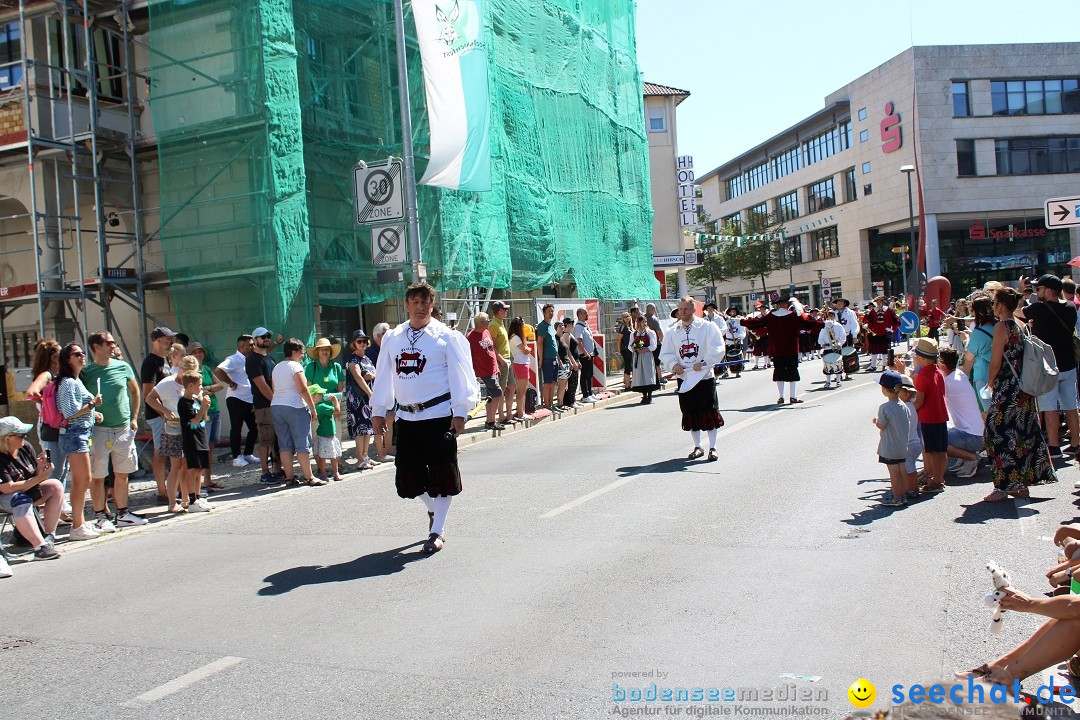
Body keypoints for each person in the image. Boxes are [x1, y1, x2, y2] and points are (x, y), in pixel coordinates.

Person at [371, 282, 480, 555]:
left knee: (442, 473)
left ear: (432, 305)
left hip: (439, 415)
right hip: (406, 417)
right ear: (406, 305)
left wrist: (461, 412)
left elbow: (461, 375)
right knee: (408, 475)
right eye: (415, 302)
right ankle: (432, 509)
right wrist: (379, 410)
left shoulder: (447, 337)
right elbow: (384, 375)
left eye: (425, 302)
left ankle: (437, 531)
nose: (420, 307)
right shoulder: (393, 338)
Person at [983, 287, 1057, 501]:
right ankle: (1021, 484)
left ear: (1000, 305)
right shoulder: (1021, 325)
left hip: (1007, 388)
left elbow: (996, 361)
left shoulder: (1002, 327)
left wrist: (990, 383)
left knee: (996, 433)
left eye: (994, 302)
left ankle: (1003, 486)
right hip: (1024, 388)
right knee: (1024, 434)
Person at [81, 330, 145, 530]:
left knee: (123, 473)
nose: (113, 345)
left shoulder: (123, 366)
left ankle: (123, 513)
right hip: (99, 429)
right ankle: (100, 516)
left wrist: (134, 418)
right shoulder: (87, 372)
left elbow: (135, 391)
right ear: (96, 347)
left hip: (123, 427)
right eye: (109, 342)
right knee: (98, 475)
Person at [1016, 274, 1080, 457]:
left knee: (1049, 406)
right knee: (1071, 405)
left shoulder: (1039, 309)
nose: (1036, 292)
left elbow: (1017, 310)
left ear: (1048, 290)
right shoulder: (1070, 307)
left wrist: (1021, 291)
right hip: (1068, 362)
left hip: (1047, 365)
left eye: (1039, 289)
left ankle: (1054, 446)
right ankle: (1076, 442)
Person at [658, 296, 725, 460]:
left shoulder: (707, 327)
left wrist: (704, 362)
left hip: (704, 377)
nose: (682, 312)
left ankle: (713, 448)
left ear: (693, 309)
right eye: (680, 309)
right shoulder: (673, 331)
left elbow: (718, 349)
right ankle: (698, 447)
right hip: (685, 377)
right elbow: (665, 354)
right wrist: (674, 365)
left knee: (709, 412)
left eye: (686, 309)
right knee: (690, 412)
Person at [55, 343, 103, 540]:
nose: (82, 356)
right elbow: (70, 412)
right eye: (77, 354)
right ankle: (77, 525)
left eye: (83, 353)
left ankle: (79, 523)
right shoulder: (68, 383)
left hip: (80, 432)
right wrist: (92, 404)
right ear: (68, 359)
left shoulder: (75, 381)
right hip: (74, 434)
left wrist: (94, 412)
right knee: (82, 480)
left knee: (83, 480)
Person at [742, 296, 823, 404]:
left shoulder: (770, 316)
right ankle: (793, 397)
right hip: (791, 349)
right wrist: (822, 324)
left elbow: (756, 323)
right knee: (792, 371)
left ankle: (781, 397)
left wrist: (742, 321)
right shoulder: (794, 316)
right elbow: (808, 324)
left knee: (779, 371)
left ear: (776, 305)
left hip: (777, 349)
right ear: (787, 304)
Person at [0, 417, 61, 560]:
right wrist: (39, 478)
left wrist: (40, 469)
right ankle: (40, 548)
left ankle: (49, 535)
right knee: (20, 498)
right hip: (6, 498)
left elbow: (33, 476)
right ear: (7, 438)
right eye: (20, 435)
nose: (24, 437)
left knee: (55, 486)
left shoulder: (25, 447)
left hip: (28, 492)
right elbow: (8, 488)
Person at [25, 339, 69, 518]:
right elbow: (31, 393)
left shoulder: (58, 374)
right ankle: (45, 509)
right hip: (49, 427)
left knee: (63, 468)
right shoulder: (47, 375)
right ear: (53, 357)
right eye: (60, 351)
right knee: (55, 469)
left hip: (58, 426)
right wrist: (48, 404)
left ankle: (58, 509)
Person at [271, 339, 324, 486]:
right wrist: (312, 408)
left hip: (276, 406)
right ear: (294, 352)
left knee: (285, 444)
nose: (302, 356)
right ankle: (309, 477)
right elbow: (302, 389)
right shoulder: (295, 366)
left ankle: (289, 477)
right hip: (295, 406)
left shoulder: (277, 367)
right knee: (302, 444)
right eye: (301, 353)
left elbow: (274, 388)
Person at [145, 356, 195, 512]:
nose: (188, 376)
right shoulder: (167, 383)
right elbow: (150, 398)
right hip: (173, 428)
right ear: (180, 368)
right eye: (186, 372)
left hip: (187, 426)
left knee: (187, 464)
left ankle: (186, 498)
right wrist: (165, 411)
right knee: (176, 466)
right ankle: (172, 502)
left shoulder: (190, 382)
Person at [938, 347, 985, 478]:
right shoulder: (958, 374)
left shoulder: (949, 382)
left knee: (936, 441)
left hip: (972, 437)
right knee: (943, 432)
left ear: (942, 364)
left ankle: (973, 458)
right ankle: (965, 458)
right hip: (974, 433)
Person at [140, 326, 175, 501]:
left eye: (171, 339)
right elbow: (148, 393)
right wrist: (163, 412)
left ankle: (170, 488)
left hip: (169, 414)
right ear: (157, 340)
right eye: (167, 339)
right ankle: (162, 491)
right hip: (158, 415)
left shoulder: (166, 361)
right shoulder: (151, 362)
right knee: (160, 452)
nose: (170, 342)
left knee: (170, 452)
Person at [214, 334, 259, 467]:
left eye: (253, 344)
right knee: (236, 428)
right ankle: (236, 456)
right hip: (236, 398)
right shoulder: (233, 359)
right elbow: (218, 370)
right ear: (241, 347)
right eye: (250, 345)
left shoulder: (251, 359)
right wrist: (230, 382)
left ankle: (248, 453)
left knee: (254, 428)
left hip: (250, 399)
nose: (253, 347)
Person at [911, 338, 948, 493]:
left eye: (918, 356)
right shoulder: (938, 371)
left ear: (924, 358)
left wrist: (910, 411)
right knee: (941, 450)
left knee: (932, 450)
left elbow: (919, 400)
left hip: (928, 417)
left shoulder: (923, 375)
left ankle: (936, 481)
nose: (917, 359)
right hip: (940, 415)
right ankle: (940, 478)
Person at [187, 342, 225, 495]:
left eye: (200, 351)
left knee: (211, 445)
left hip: (214, 408)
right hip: (202, 412)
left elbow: (220, 385)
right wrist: (209, 389)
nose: (198, 354)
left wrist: (207, 389)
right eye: (194, 352)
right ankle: (200, 481)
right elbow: (196, 391)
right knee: (203, 447)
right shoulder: (191, 373)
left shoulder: (207, 369)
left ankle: (208, 479)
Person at [176, 371, 213, 512]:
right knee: (192, 469)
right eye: (199, 385)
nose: (201, 388)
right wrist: (203, 407)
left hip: (201, 436)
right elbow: (195, 419)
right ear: (190, 385)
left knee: (199, 469)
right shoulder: (183, 403)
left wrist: (205, 407)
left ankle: (198, 497)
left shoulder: (196, 401)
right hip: (191, 440)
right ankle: (191, 500)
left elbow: (202, 418)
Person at [873, 370, 910, 507]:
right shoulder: (904, 406)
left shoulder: (885, 407)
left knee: (893, 472)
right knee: (902, 469)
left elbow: (882, 425)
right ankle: (903, 495)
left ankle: (896, 496)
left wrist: (876, 421)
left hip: (890, 445)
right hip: (902, 445)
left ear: (884, 389)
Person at [246, 326, 278, 483]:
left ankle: (278, 470)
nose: (266, 338)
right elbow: (261, 384)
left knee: (277, 439)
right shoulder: (252, 360)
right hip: (264, 405)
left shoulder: (270, 358)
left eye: (268, 336)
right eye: (263, 336)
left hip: (275, 403)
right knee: (266, 439)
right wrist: (275, 400)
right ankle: (265, 473)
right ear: (255, 340)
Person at [344, 330, 378, 469]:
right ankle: (360, 460)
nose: (362, 344)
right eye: (359, 341)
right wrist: (370, 392)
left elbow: (374, 373)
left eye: (364, 341)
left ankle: (365, 457)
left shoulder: (366, 358)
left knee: (367, 429)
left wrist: (370, 376)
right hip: (358, 399)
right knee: (360, 429)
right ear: (354, 344)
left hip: (368, 398)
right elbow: (358, 377)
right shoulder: (353, 360)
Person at [467, 312, 504, 431]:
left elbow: (491, 349)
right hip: (484, 371)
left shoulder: (486, 332)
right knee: (497, 393)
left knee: (491, 396)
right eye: (487, 320)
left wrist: (498, 365)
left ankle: (489, 420)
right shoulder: (471, 337)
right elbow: (468, 355)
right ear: (482, 323)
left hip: (493, 368)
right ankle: (491, 421)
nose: (489, 322)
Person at [961, 296, 997, 416]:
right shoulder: (999, 327)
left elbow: (970, 356)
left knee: (986, 411)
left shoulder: (979, 332)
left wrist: (966, 340)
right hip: (1000, 374)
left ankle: (988, 435)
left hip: (983, 375)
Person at [310, 384, 344, 482]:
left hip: (323, 434)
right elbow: (337, 411)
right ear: (313, 396)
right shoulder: (322, 406)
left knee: (322, 456)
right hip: (327, 434)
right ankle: (335, 473)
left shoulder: (318, 406)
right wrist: (335, 400)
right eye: (319, 394)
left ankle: (323, 474)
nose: (323, 395)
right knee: (332, 456)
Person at [489, 301, 515, 425]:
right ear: (498, 311)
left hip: (507, 359)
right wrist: (501, 359)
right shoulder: (494, 325)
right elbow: (491, 345)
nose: (506, 311)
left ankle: (508, 413)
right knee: (502, 388)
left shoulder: (500, 323)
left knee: (511, 386)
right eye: (504, 309)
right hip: (502, 361)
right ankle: (501, 415)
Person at [898, 374, 922, 499]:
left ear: (907, 394)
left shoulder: (905, 407)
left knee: (909, 468)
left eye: (899, 391)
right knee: (908, 467)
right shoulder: (911, 406)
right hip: (913, 442)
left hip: (910, 443)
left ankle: (912, 489)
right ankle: (910, 487)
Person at [863, 296, 898, 372]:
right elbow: (870, 320)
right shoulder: (873, 311)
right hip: (875, 333)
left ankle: (884, 366)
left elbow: (896, 320)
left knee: (885, 350)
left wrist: (892, 329)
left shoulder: (889, 310)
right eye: (877, 302)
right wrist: (867, 325)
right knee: (874, 349)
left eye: (880, 302)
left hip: (885, 333)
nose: (878, 303)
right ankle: (873, 366)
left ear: (883, 302)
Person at [507, 317, 533, 422]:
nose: (524, 326)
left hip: (522, 364)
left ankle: (521, 412)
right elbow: (525, 350)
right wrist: (529, 348)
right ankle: (521, 414)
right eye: (522, 324)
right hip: (520, 364)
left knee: (523, 390)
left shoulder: (516, 337)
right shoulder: (515, 337)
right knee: (521, 391)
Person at [535, 303, 559, 411]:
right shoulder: (542, 326)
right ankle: (547, 405)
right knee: (547, 383)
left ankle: (551, 404)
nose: (551, 313)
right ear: (544, 313)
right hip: (547, 359)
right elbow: (539, 343)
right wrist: (541, 359)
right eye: (549, 311)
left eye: (552, 311)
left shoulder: (550, 326)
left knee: (553, 383)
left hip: (554, 358)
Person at [630, 315, 658, 404]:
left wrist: (645, 349)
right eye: (642, 322)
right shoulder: (633, 334)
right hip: (637, 355)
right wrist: (635, 349)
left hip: (647, 355)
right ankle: (644, 395)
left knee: (648, 374)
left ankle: (649, 396)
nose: (644, 324)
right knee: (640, 375)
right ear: (638, 323)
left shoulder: (650, 333)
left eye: (645, 322)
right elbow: (629, 345)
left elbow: (654, 345)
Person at [573, 308, 599, 403]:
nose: (587, 315)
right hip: (584, 355)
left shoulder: (584, 326)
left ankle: (589, 393)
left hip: (590, 354)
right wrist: (585, 352)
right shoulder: (579, 327)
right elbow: (579, 342)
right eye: (585, 313)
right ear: (579, 314)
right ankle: (585, 395)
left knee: (589, 374)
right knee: (585, 375)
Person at [833, 299, 860, 381]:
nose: (839, 304)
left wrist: (854, 335)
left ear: (845, 304)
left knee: (848, 356)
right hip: (837, 337)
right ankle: (838, 374)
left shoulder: (850, 313)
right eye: (838, 303)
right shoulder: (833, 313)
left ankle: (848, 373)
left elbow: (854, 325)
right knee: (837, 356)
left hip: (847, 336)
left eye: (841, 303)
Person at [818, 310, 846, 389]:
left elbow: (843, 336)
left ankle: (838, 381)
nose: (830, 317)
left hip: (836, 347)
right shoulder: (824, 327)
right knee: (828, 365)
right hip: (827, 348)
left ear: (834, 316)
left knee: (837, 365)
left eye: (831, 315)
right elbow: (821, 337)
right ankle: (828, 381)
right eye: (828, 316)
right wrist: (822, 343)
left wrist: (840, 344)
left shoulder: (838, 326)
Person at [560, 318, 583, 410]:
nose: (573, 325)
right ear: (567, 324)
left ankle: (573, 399)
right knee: (572, 382)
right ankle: (570, 401)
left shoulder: (570, 335)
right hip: (572, 362)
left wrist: (578, 361)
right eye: (572, 323)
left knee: (575, 381)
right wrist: (573, 362)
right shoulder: (566, 335)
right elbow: (568, 351)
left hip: (575, 360)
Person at [645, 303, 666, 387]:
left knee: (648, 363)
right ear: (652, 309)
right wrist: (663, 341)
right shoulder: (654, 319)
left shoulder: (642, 318)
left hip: (645, 345)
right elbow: (659, 332)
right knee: (657, 363)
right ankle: (659, 378)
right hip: (655, 344)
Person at [617, 312, 633, 390]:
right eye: (625, 317)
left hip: (630, 349)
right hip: (625, 349)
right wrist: (619, 350)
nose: (627, 318)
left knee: (629, 366)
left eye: (628, 316)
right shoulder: (623, 327)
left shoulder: (630, 326)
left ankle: (628, 382)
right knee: (627, 366)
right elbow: (619, 339)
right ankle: (627, 385)